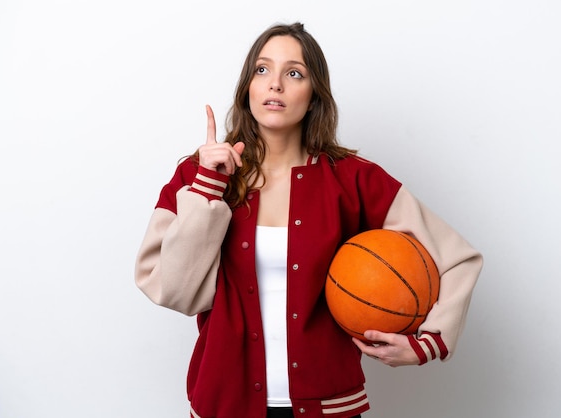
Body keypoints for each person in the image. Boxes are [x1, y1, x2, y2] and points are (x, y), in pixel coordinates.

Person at [135, 22, 483, 418]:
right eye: (262, 70)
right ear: (247, 85)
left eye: (294, 73)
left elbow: (457, 258)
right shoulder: (197, 175)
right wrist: (209, 187)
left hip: (330, 405)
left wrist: (428, 343)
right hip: (224, 404)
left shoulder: (354, 179)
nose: (275, 85)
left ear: (314, 93)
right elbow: (173, 290)